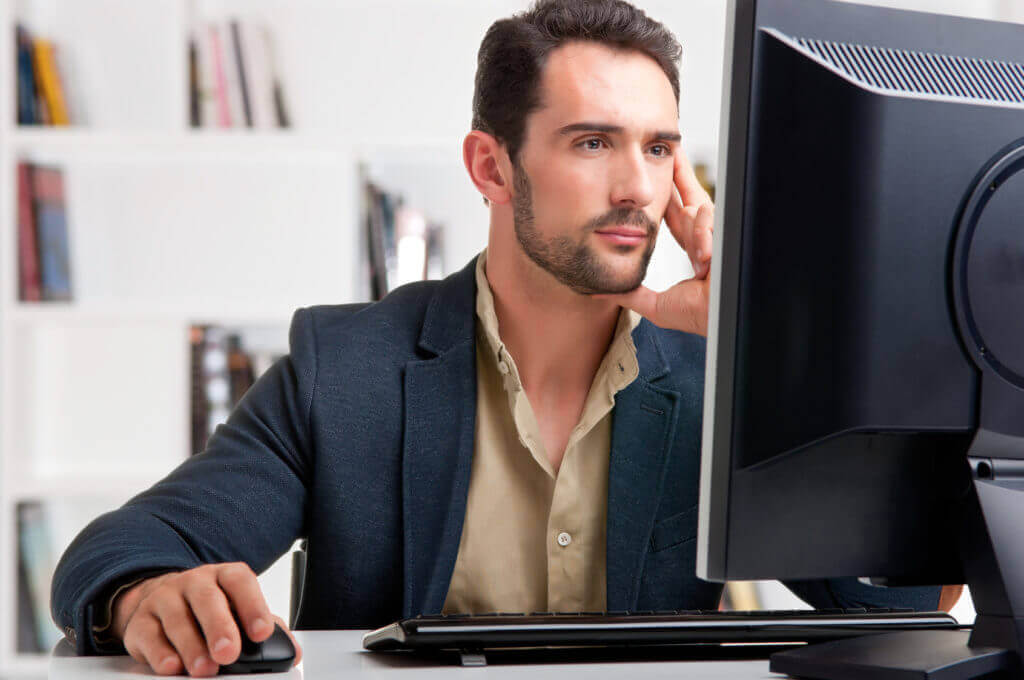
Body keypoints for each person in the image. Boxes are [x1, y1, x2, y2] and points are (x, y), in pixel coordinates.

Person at [50, 0, 959, 676]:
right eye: (594, 143)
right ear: (491, 165)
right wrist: (146, 593)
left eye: (657, 148)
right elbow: (118, 550)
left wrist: (770, 348)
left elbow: (906, 606)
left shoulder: (719, 373)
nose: (638, 188)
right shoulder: (348, 368)